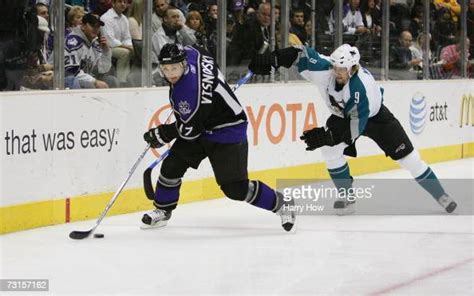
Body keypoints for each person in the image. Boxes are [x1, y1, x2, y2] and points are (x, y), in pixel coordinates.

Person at [248, 44, 457, 215]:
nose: (336, 72)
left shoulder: (359, 88)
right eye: (335, 68)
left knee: (410, 159)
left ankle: (441, 195)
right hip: (342, 117)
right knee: (329, 151)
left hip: (376, 119)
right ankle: (347, 198)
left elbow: (355, 127)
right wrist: (273, 60)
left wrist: (329, 136)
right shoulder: (325, 68)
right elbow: (300, 53)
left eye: (341, 70)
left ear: (353, 69)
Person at [141, 43, 295, 231]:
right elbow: (204, 51)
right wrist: (214, 81)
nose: (171, 73)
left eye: (174, 68)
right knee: (172, 165)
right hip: (203, 122)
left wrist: (162, 133)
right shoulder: (191, 52)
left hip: (227, 128)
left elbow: (190, 129)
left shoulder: (190, 92)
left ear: (183, 64)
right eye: (166, 69)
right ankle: (163, 211)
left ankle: (282, 203)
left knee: (235, 189)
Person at [65, 13, 118, 88]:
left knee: (111, 80)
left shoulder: (93, 43)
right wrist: (94, 81)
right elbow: (71, 71)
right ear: (83, 26)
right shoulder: (73, 42)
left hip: (82, 79)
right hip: (65, 80)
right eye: (93, 26)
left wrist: (106, 51)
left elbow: (102, 70)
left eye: (98, 26)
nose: (96, 29)